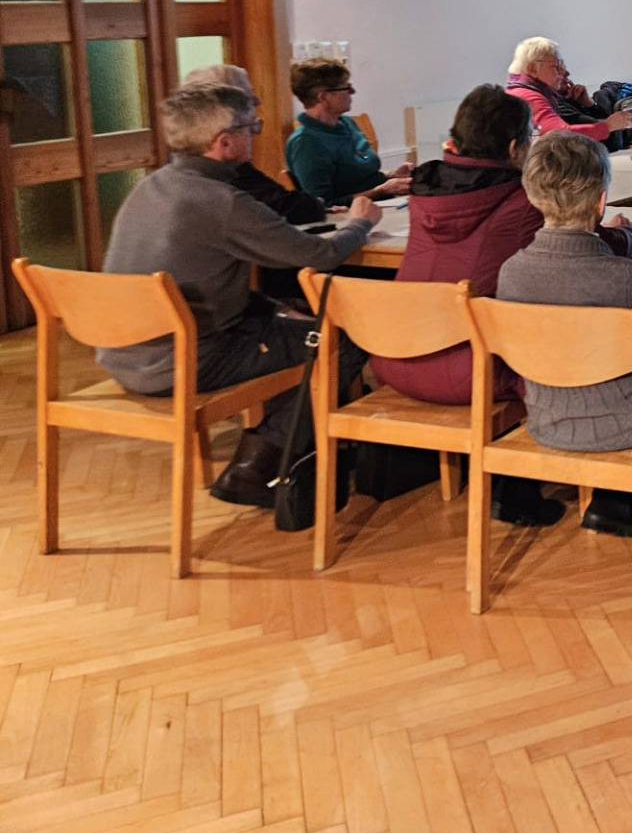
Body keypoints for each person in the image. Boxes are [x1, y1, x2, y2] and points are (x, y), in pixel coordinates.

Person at [368, 84, 632, 526]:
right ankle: (581, 492)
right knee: (582, 331)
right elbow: (583, 244)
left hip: (394, 357)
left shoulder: (424, 189)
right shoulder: (519, 200)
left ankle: (519, 486)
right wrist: (626, 233)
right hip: (473, 369)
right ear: (516, 148)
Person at [97, 84, 382, 506]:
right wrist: (361, 222)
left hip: (126, 355)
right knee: (339, 339)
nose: (255, 135)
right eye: (252, 127)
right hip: (183, 362)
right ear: (224, 142)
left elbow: (203, 284)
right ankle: (258, 466)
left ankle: (299, 446)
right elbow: (318, 255)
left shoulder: (149, 187)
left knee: (299, 325)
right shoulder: (221, 201)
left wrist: (280, 311)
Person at [496, 132, 632, 538]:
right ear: (601, 202)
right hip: (629, 427)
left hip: (546, 420)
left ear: (531, 195)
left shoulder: (511, 272)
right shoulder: (629, 278)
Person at [180, 64, 324, 226]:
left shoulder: (182, 162)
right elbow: (291, 208)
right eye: (248, 96)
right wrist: (318, 204)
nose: (257, 101)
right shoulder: (221, 163)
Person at [284, 57, 410, 205]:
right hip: (349, 213)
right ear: (323, 97)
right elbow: (323, 204)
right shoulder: (306, 143)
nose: (353, 91)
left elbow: (360, 177)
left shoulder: (347, 123)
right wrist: (382, 190)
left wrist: (393, 174)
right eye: (346, 88)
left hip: (379, 204)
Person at [505, 36, 632, 145]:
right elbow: (559, 135)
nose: (564, 72)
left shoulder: (523, 91)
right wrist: (608, 126)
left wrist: (589, 105)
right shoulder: (529, 96)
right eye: (557, 66)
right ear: (533, 69)